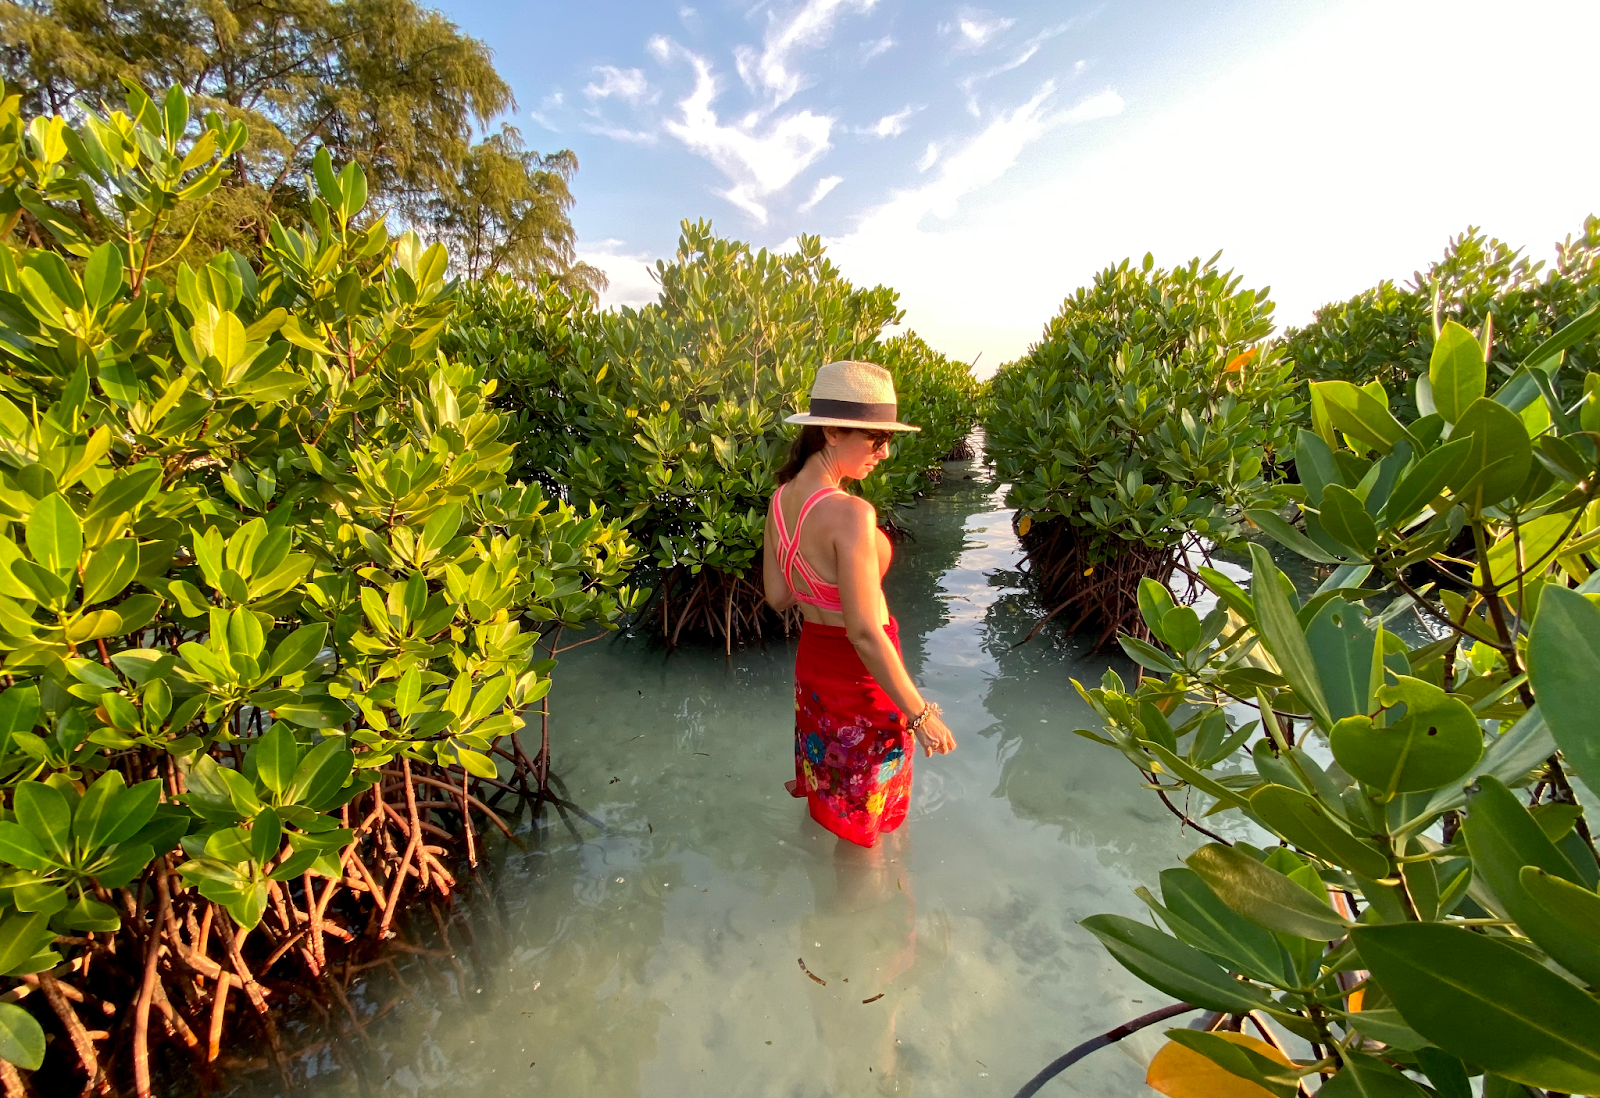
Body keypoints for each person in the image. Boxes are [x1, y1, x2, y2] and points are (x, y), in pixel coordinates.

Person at [764, 359, 957, 848]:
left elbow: (779, 595)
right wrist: (920, 713)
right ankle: (870, 923)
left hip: (814, 681)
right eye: (876, 439)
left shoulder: (781, 500)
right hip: (862, 689)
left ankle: (839, 918)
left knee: (839, 811)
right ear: (831, 431)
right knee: (866, 834)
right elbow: (865, 632)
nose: (885, 453)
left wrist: (818, 586)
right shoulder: (851, 513)